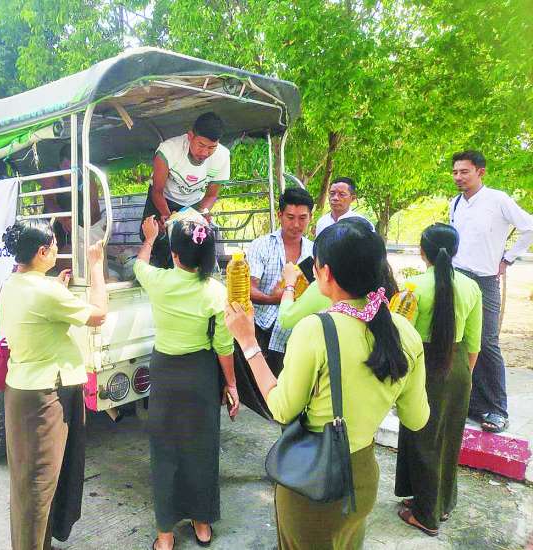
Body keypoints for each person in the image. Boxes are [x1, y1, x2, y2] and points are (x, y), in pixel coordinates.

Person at [226, 221, 430, 550]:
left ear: (327, 273)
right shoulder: (404, 331)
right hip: (363, 477)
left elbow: (281, 409)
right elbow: (417, 419)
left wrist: (248, 343)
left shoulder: (315, 330)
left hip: (315, 481)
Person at [0, 220, 108, 550]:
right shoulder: (45, 292)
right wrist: (96, 266)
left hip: (24, 391)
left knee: (30, 483)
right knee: (39, 485)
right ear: (42, 252)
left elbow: (40, 308)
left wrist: (57, 287)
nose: (59, 251)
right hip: (46, 397)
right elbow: (99, 314)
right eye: (55, 246)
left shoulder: (12, 283)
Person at [135, 215, 239, 550]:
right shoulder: (216, 292)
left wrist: (150, 237)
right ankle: (202, 523)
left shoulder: (159, 281)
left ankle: (165, 535)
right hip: (201, 374)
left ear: (175, 254)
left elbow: (138, 265)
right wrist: (231, 385)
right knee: (202, 448)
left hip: (165, 373)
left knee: (165, 450)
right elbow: (224, 346)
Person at [394, 223, 483, 536]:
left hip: (423, 367)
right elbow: (474, 343)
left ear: (422, 251)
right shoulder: (472, 287)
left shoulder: (412, 287)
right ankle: (440, 504)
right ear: (455, 251)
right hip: (457, 368)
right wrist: (463, 376)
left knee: (422, 439)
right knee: (448, 437)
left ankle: (425, 515)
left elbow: (400, 337)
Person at [449, 150, 533, 433]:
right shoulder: (455, 203)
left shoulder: (498, 200)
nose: (458, 177)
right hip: (457, 278)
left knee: (486, 342)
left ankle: (497, 410)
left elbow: (529, 227)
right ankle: (470, 404)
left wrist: (507, 259)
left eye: (464, 172)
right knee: (460, 341)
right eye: (455, 172)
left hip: (485, 281)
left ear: (480, 172)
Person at [141, 112, 230, 267]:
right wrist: (167, 217)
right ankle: (154, 270)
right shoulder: (168, 150)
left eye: (211, 148)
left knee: (189, 242)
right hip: (163, 198)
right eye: (201, 145)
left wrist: (201, 213)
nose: (205, 153)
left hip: (193, 204)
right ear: (190, 136)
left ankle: (186, 273)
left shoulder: (223, 156)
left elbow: (211, 195)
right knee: (154, 236)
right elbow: (157, 191)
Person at [278, 218, 398, 330]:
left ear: (326, 272)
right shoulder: (396, 319)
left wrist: (289, 284)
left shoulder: (320, 291)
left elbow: (286, 320)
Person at [245, 186, 314, 376]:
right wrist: (275, 298)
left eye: (303, 218)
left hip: (300, 332)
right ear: (280, 215)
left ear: (310, 217)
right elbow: (249, 289)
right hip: (264, 330)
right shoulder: (261, 245)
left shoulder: (314, 251)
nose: (296, 224)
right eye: (290, 217)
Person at [41, 144, 104, 270]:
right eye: (67, 167)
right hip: (54, 222)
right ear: (60, 164)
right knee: (54, 252)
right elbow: (49, 201)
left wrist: (96, 232)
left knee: (77, 254)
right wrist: (64, 219)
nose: (71, 172)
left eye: (75, 167)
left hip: (78, 222)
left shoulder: (88, 179)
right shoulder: (51, 177)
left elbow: (94, 209)